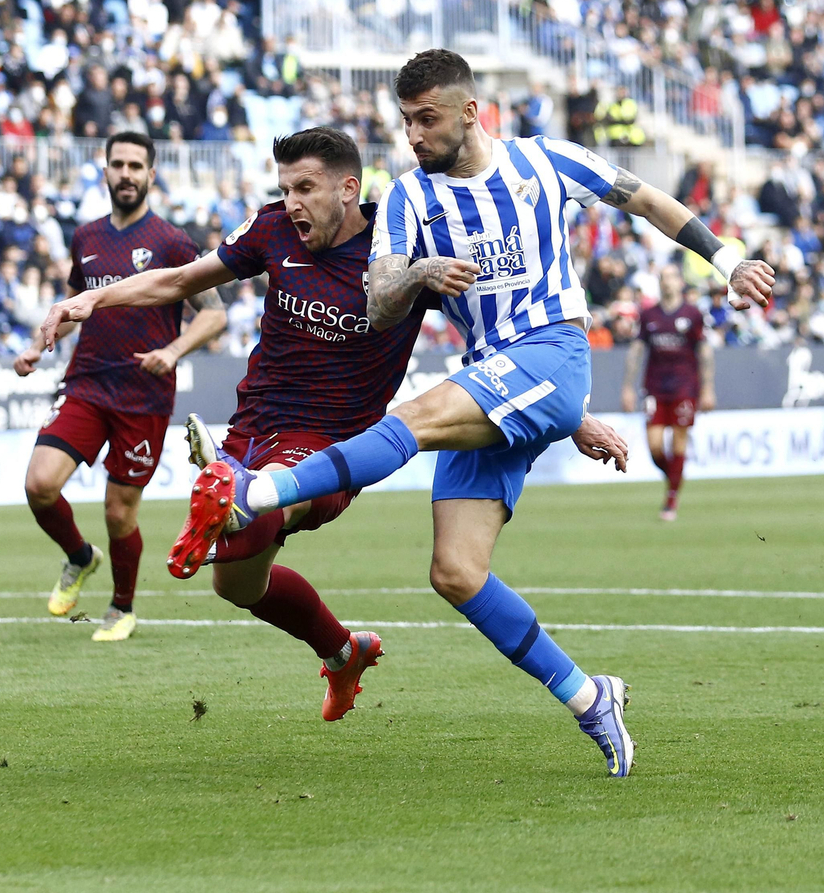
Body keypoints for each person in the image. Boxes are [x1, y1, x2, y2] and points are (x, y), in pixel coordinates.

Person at [65, 51, 775, 776]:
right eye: (405, 120)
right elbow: (378, 298)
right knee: (456, 571)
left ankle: (253, 492)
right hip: (494, 376)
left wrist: (728, 261)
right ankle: (591, 695)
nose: (413, 133)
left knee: (413, 422)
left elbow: (646, 198)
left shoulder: (547, 162)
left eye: (426, 118)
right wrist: (422, 273)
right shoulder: (407, 200)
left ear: (471, 111)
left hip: (553, 352)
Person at [13, 131, 226, 642]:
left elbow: (214, 316)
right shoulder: (85, 238)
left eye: (136, 166)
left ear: (151, 175)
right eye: (118, 165)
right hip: (86, 382)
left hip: (143, 396)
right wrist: (37, 342)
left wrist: (173, 351)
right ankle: (80, 557)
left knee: (118, 511)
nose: (126, 174)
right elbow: (72, 306)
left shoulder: (173, 242)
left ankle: (122, 608)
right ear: (105, 171)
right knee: (39, 486)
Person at [622, 265, 713, 521]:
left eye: (672, 277)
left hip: (685, 386)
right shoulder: (649, 314)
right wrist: (628, 387)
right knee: (654, 446)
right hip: (655, 387)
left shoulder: (692, 314)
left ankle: (671, 499)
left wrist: (707, 388)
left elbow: (704, 351)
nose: (667, 282)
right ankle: (675, 476)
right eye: (663, 278)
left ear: (681, 282)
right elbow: (636, 351)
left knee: (679, 441)